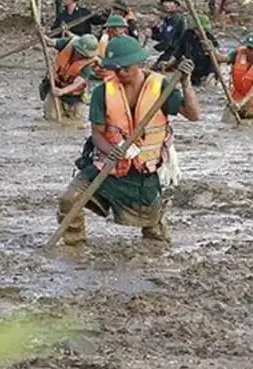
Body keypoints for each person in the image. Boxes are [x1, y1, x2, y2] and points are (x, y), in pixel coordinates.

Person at [56, 36, 200, 246]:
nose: (121, 73)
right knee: (70, 199)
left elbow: (194, 114)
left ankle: (155, 255)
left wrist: (186, 84)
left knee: (154, 228)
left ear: (139, 63)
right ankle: (75, 245)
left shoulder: (161, 87)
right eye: (116, 68)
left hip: (143, 171)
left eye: (125, 68)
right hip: (109, 167)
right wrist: (110, 150)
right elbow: (97, 133)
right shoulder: (103, 92)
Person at [42, 33, 99, 122]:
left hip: (74, 96)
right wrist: (42, 36)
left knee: (77, 119)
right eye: (79, 53)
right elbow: (51, 42)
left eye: (84, 55)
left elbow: (77, 83)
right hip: (55, 86)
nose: (80, 56)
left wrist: (62, 91)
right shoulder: (69, 43)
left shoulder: (88, 64)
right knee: (52, 117)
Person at [226, 31, 253, 120]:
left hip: (251, 103)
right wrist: (211, 50)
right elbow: (222, 58)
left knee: (250, 127)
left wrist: (241, 103)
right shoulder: (237, 54)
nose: (252, 52)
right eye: (249, 48)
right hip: (234, 98)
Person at [169, 13, 220, 87]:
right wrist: (169, 63)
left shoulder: (211, 41)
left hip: (206, 73)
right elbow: (178, 52)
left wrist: (208, 80)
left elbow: (215, 64)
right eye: (197, 30)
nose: (200, 32)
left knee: (209, 86)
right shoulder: (187, 35)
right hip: (190, 71)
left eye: (204, 30)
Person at [151, 0, 187, 68]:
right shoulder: (167, 18)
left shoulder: (176, 18)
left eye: (170, 2)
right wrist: (154, 28)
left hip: (176, 51)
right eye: (165, 2)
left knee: (157, 68)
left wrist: (154, 49)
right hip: (171, 49)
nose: (167, 5)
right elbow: (161, 34)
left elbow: (167, 39)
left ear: (176, 5)